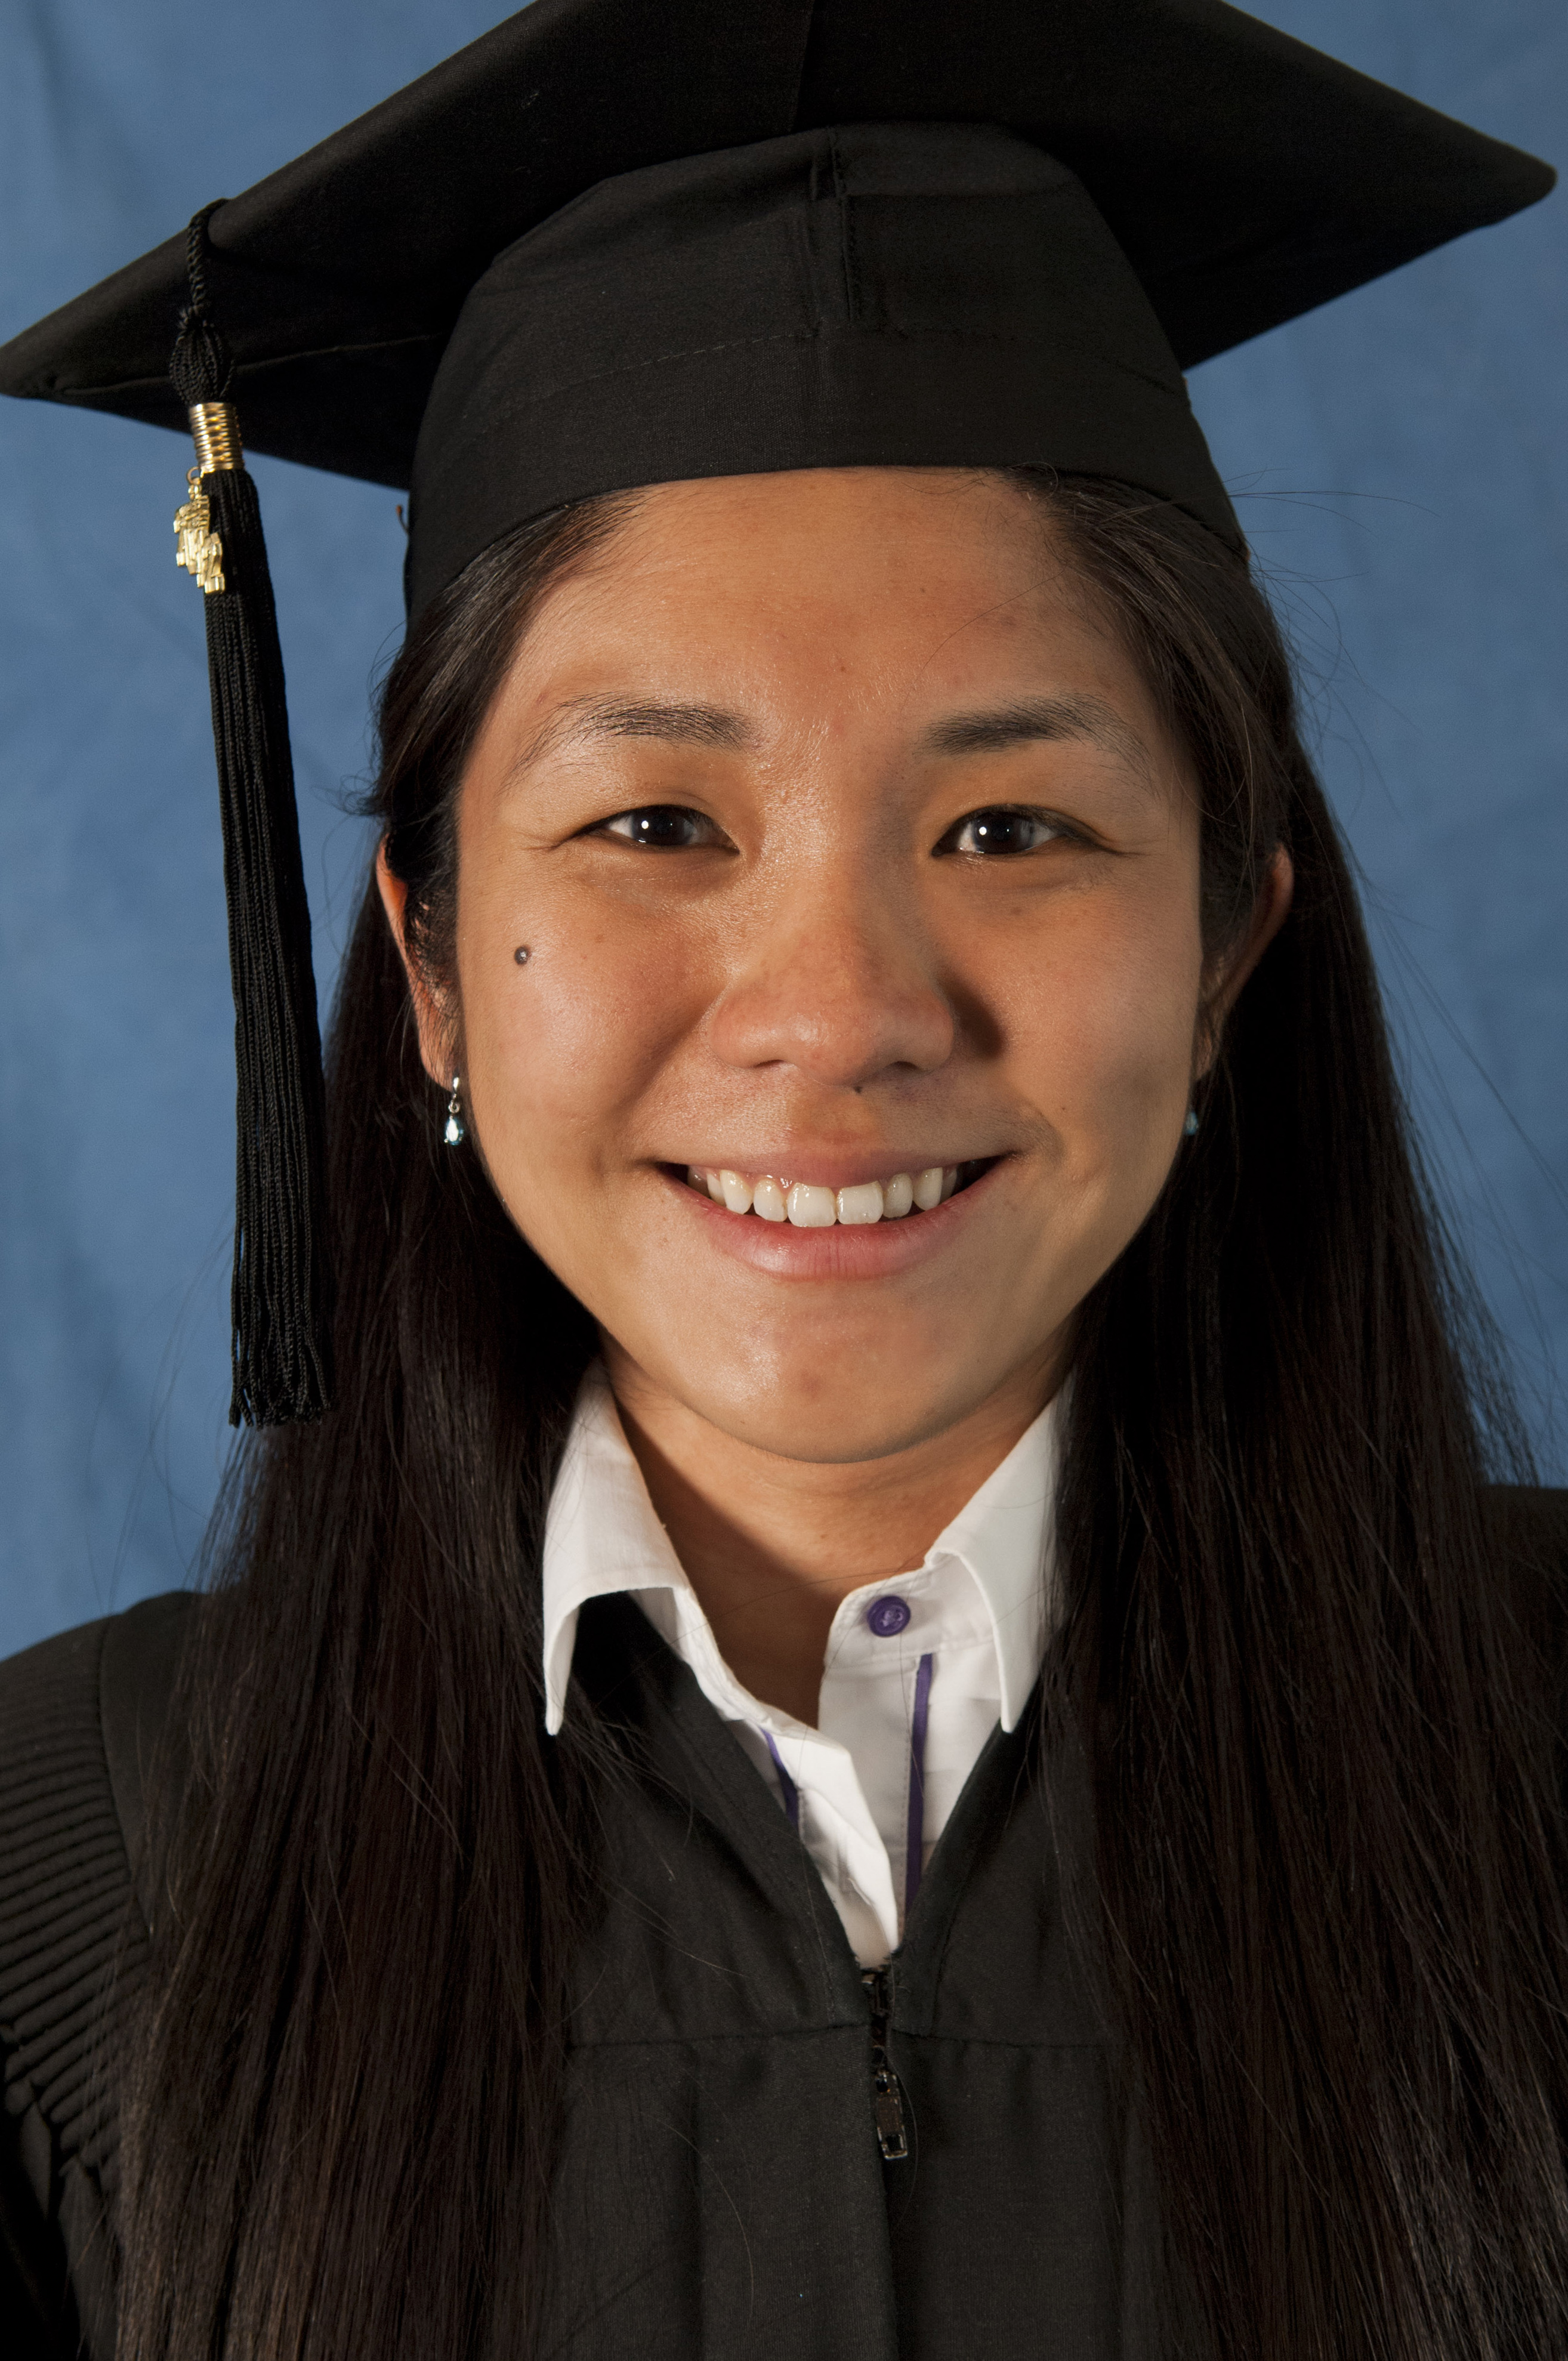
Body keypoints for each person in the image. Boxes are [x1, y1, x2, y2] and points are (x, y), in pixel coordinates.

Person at [1, 4, 1564, 2356]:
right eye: (655, 823)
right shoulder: (68, 1878)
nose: (834, 1013)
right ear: (431, 964)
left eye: (1010, 827)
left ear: (1228, 955)